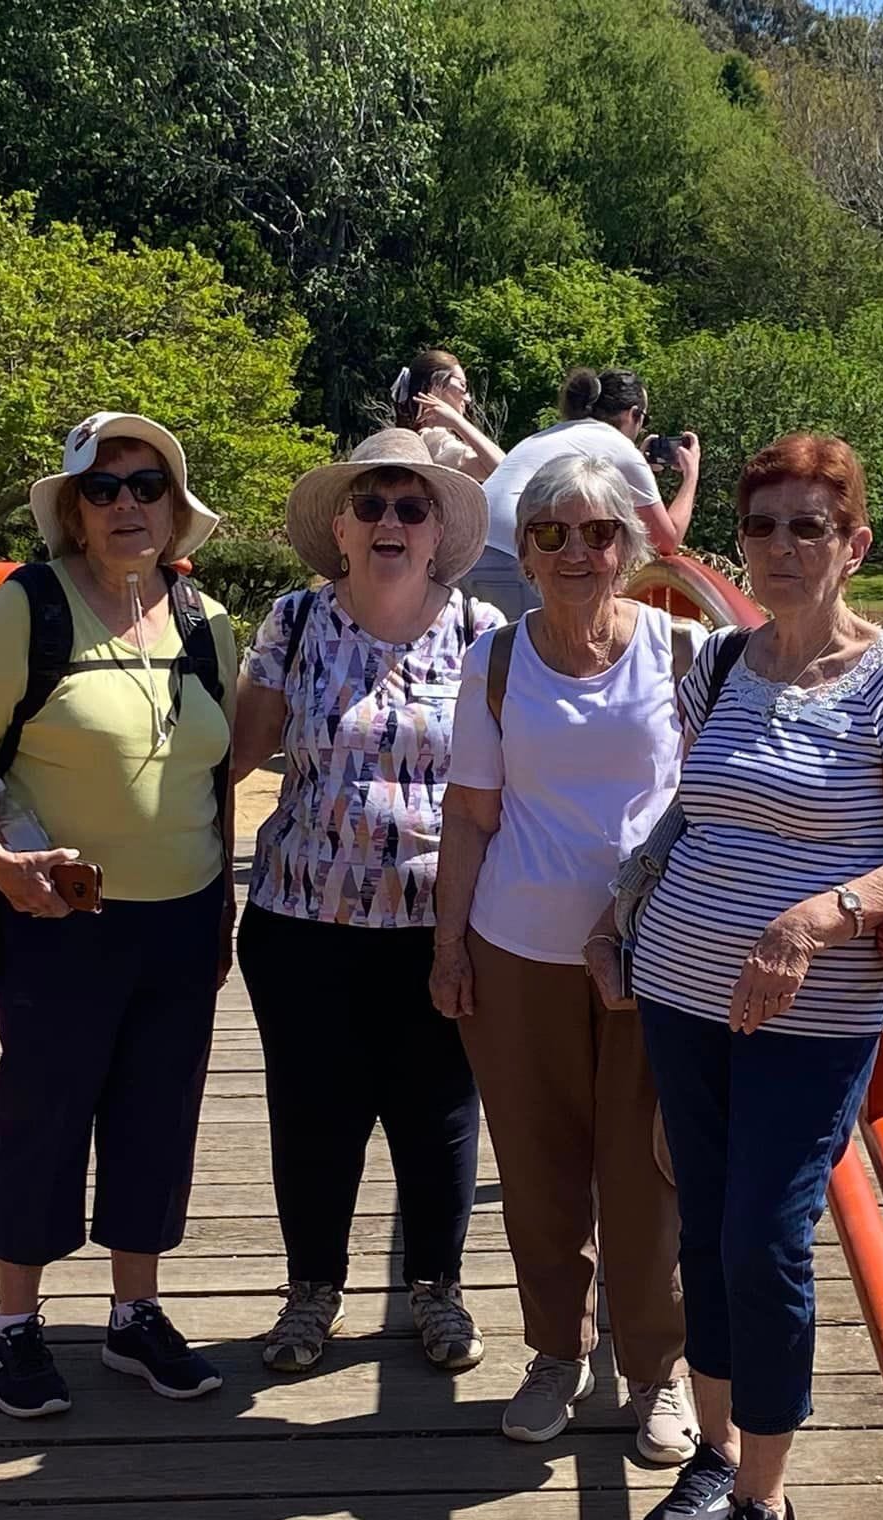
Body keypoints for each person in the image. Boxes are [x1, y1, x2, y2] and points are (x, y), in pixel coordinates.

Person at [621, 433, 883, 1520]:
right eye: (762, 525)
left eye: (807, 526)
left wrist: (824, 914)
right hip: (679, 994)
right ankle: (715, 1452)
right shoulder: (722, 661)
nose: (779, 546)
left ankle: (766, 1506)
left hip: (810, 1019)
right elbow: (694, 817)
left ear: (852, 544)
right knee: (705, 1228)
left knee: (766, 1240)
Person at [0, 410, 238, 1419]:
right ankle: (13, 1324)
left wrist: (223, 905)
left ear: (174, 505)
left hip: (183, 915)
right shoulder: (31, 606)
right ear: (72, 509)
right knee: (43, 1110)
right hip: (58, 916)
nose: (124, 507)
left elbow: (219, 770)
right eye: (101, 491)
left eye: (145, 485)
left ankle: (133, 1311)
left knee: (159, 1114)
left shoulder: (207, 621)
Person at [432, 453, 702, 1465]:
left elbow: (713, 802)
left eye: (598, 533)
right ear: (527, 554)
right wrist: (449, 944)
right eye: (552, 533)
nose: (577, 551)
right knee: (539, 1168)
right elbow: (469, 813)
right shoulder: (495, 663)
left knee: (646, 1173)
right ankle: (555, 1351)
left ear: (631, 549)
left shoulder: (684, 652)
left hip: (653, 957)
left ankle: (657, 1370)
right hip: (518, 947)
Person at [231, 428, 505, 1371]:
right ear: (341, 527)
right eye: (373, 504)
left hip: (440, 921)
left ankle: (438, 1289)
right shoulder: (294, 623)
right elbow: (229, 757)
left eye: (412, 506)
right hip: (303, 918)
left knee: (439, 1111)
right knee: (314, 1111)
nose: (391, 520)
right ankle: (313, 1292)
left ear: (436, 534)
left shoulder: (480, 637)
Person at [466, 366, 701, 621]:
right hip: (514, 554)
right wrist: (691, 475)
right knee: (543, 654)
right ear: (634, 414)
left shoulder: (553, 434)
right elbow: (667, 539)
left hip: (468, 547)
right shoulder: (620, 447)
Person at [390, 350, 505, 480]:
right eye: (463, 386)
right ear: (434, 387)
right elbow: (504, 469)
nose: (467, 399)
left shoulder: (416, 438)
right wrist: (457, 422)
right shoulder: (436, 441)